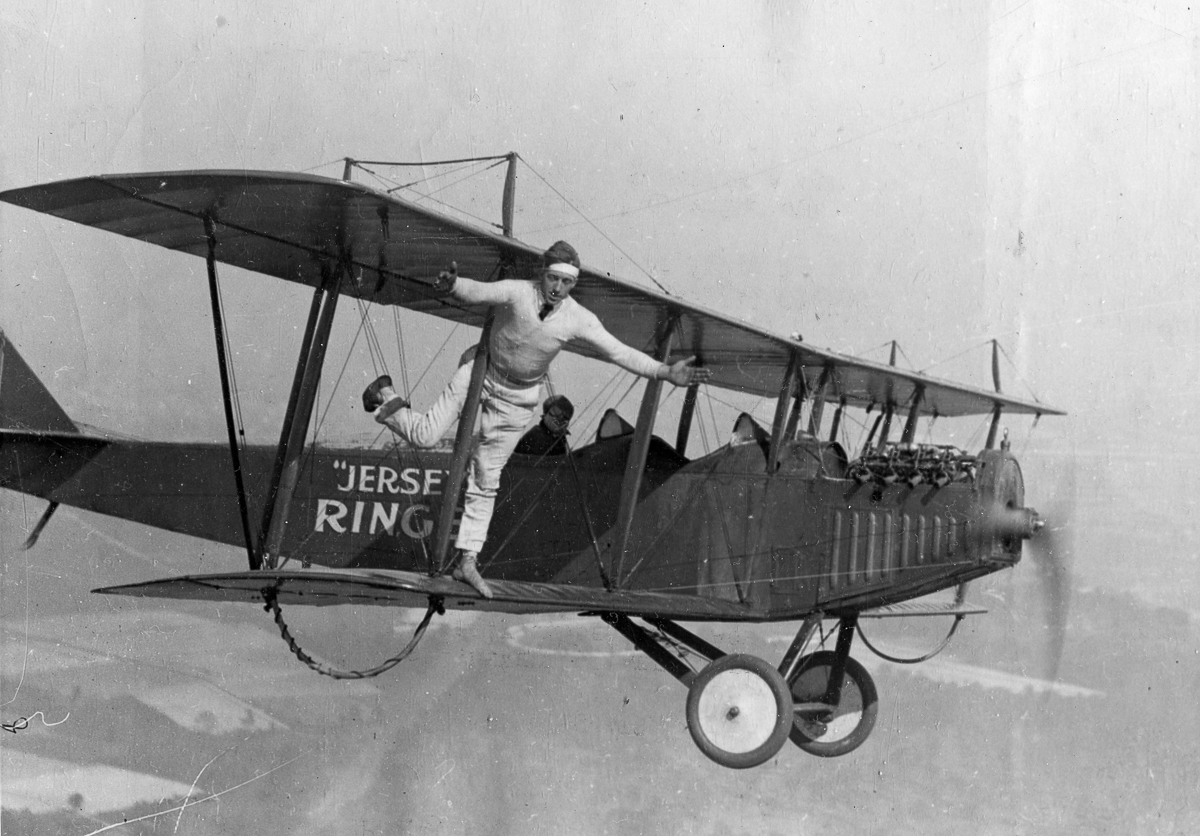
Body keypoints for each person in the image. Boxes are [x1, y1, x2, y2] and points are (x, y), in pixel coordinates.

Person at [362, 240, 709, 598]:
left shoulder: (578, 317)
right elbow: (481, 292)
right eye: (553, 279)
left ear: (574, 284)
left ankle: (467, 561)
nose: (557, 289)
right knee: (426, 435)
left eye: (567, 283)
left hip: (519, 398)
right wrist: (454, 285)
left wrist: (665, 371)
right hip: (481, 370)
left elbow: (617, 351)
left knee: (487, 475)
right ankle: (384, 398)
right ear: (541, 274)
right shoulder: (518, 292)